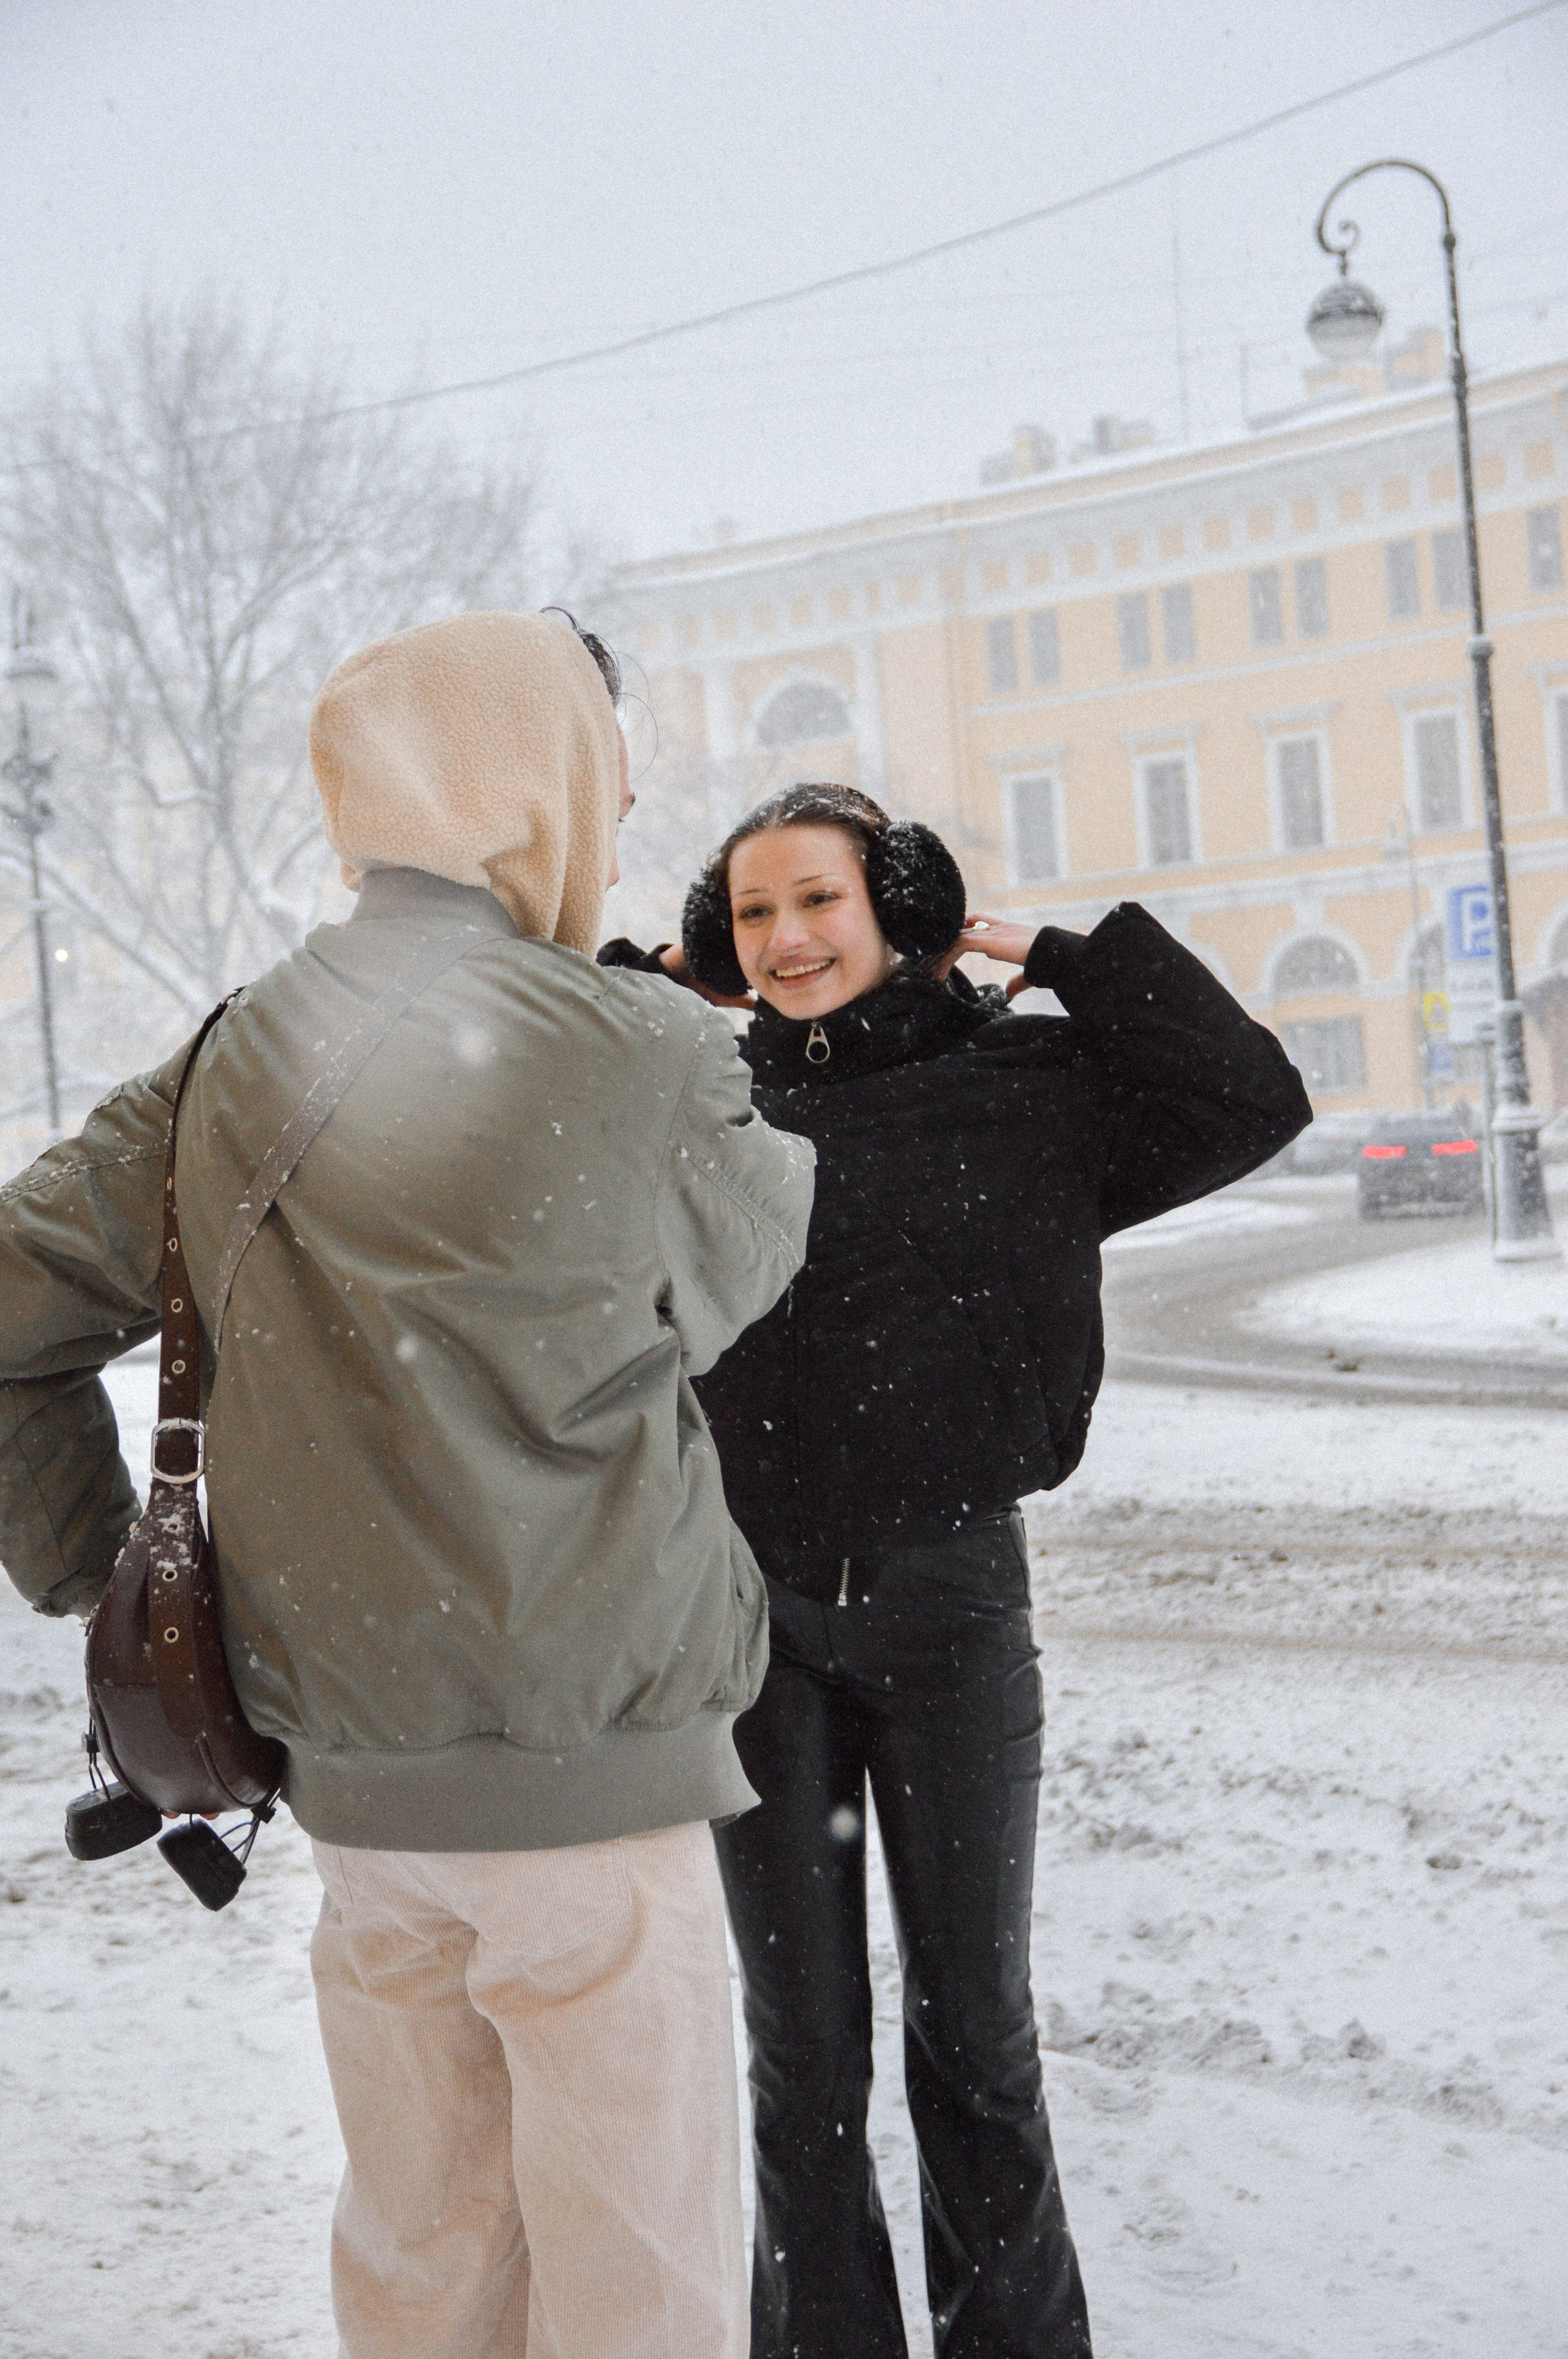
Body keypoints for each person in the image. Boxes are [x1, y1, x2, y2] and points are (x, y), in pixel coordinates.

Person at [0, 611, 814, 2359]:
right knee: (642, 2280)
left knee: (429, 2259)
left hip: (359, 1791)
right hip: (593, 1774)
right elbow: (743, 1276)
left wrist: (108, 1571)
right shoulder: (636, 1047)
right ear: (545, 793)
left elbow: (10, 1309)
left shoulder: (228, 1058)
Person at [600, 781, 1311, 2359]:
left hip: (955, 1609)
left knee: (977, 2037)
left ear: (899, 908)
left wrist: (1070, 951)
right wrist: (639, 988)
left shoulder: (1024, 1086)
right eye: (754, 912)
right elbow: (543, 1140)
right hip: (754, 1627)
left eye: (820, 901)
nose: (784, 937)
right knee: (802, 2061)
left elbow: (1253, 1099)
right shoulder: (707, 1112)